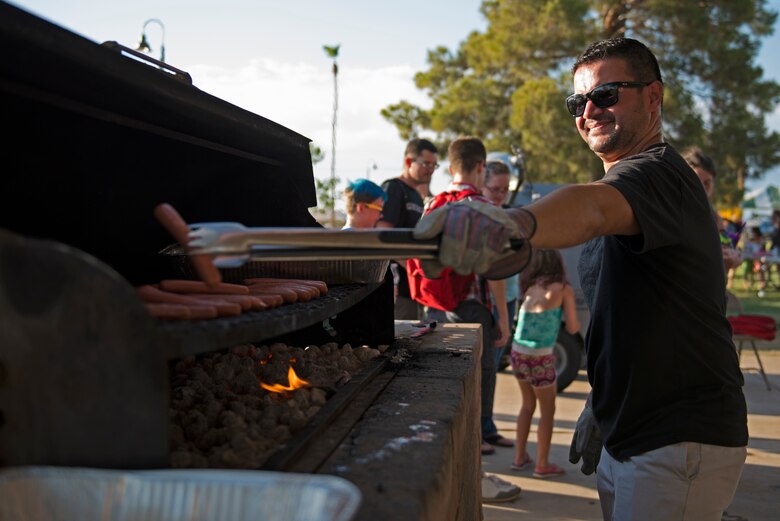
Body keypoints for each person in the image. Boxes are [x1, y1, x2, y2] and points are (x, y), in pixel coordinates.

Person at [413, 37, 748, 520]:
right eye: (579, 100)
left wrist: (515, 223)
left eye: (607, 93)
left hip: (677, 439)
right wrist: (603, 399)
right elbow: (636, 315)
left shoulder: (659, 173)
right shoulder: (625, 185)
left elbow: (589, 208)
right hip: (632, 430)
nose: (590, 109)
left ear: (653, 98)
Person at [405, 136, 518, 503]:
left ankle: (447, 468)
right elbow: (495, 269)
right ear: (481, 166)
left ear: (451, 167)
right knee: (476, 387)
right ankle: (476, 476)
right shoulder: (482, 207)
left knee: (444, 387)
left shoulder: (433, 205)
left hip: (436, 309)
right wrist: (501, 316)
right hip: (474, 309)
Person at [510, 249, 579, 479]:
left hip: (518, 352)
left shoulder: (530, 288)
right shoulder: (563, 288)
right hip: (540, 356)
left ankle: (519, 458)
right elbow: (573, 327)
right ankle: (542, 464)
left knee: (527, 405)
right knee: (547, 411)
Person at [480, 160, 519, 449]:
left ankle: (487, 427)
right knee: (484, 370)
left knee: (492, 370)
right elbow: (494, 271)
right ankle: (480, 430)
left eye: (505, 189)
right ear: (483, 184)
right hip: (491, 303)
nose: (500, 195)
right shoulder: (483, 219)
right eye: (495, 189)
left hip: (510, 297)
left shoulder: (508, 217)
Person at [377, 138, 439, 320]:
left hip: (412, 287)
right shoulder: (393, 188)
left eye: (434, 165)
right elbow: (382, 238)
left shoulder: (417, 196)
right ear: (408, 162)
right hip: (395, 285)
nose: (430, 170)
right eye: (426, 163)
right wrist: (414, 267)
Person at [682, 146, 742, 275]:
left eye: (707, 183)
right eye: (695, 181)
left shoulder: (714, 217)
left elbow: (727, 245)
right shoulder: (669, 211)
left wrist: (734, 256)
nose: (702, 188)